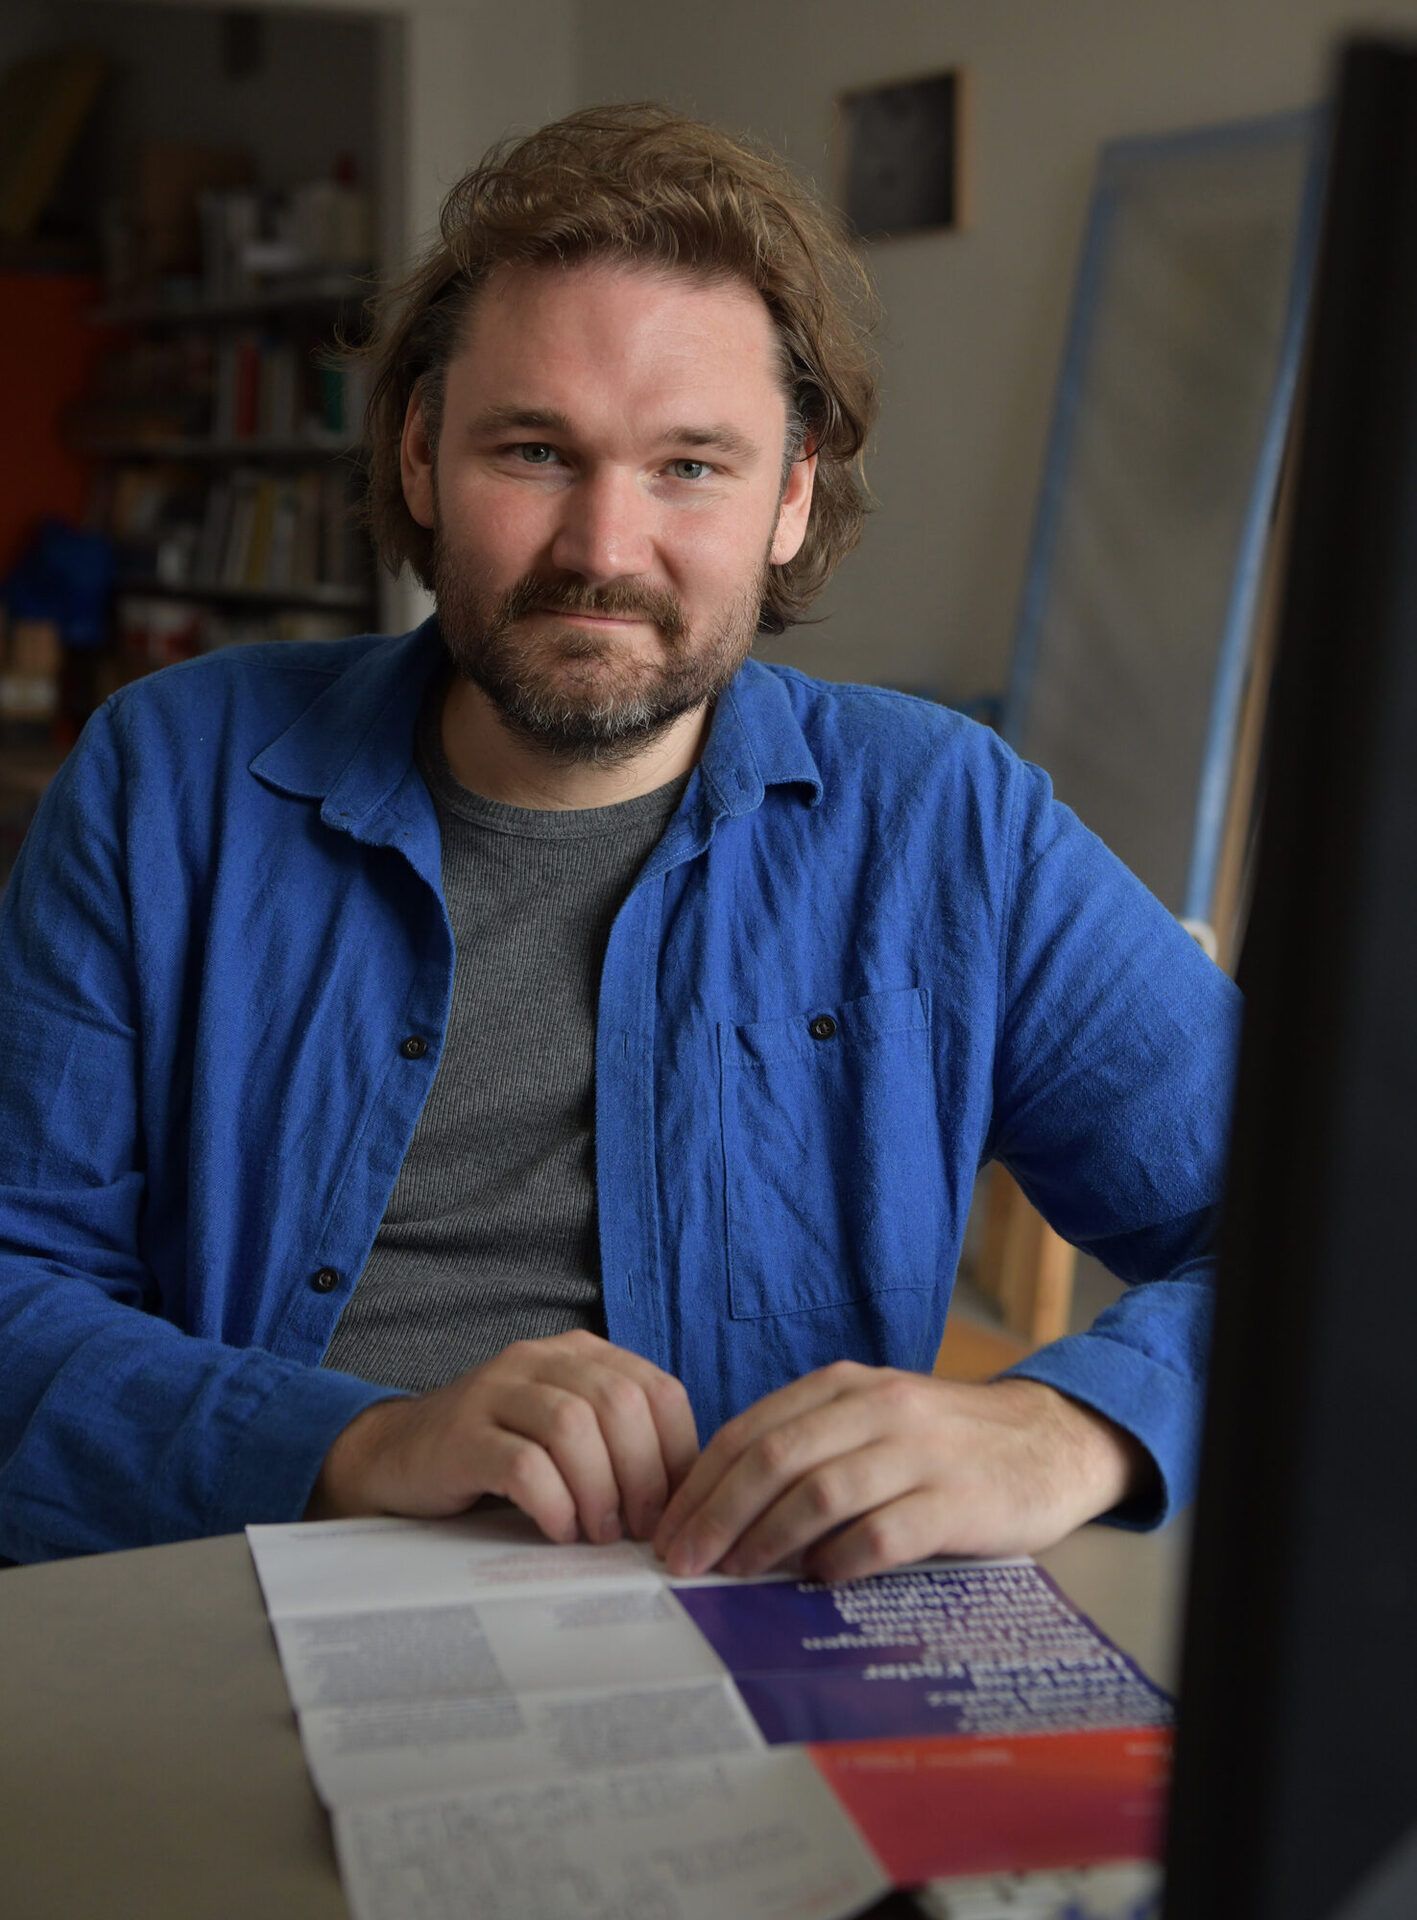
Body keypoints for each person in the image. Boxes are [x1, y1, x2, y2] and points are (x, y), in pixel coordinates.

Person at [0, 106, 1239, 1572]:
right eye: (535, 451)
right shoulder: (164, 780)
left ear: (790, 497)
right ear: (419, 457)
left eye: (690, 467)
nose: (602, 549)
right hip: (246, 1591)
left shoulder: (949, 826)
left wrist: (1067, 1427)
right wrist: (352, 1445)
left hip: (748, 1633)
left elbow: (1338, 1233)